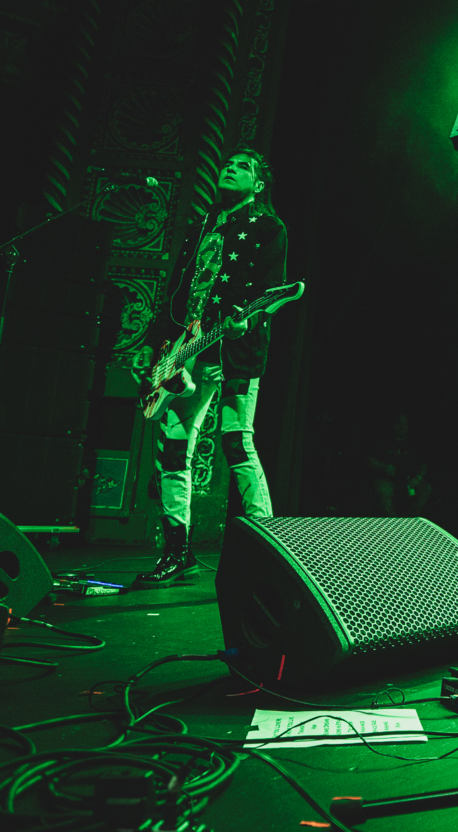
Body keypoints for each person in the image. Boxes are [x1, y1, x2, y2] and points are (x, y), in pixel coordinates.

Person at [135, 148, 289, 587]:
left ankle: (272, 552)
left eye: (244, 168)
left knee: (237, 441)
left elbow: (271, 292)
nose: (231, 169)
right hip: (187, 348)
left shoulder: (268, 228)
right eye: (229, 164)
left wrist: (247, 321)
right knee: (171, 445)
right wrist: (156, 347)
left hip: (232, 350)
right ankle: (177, 550)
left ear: (258, 186)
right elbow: (177, 290)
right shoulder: (201, 226)